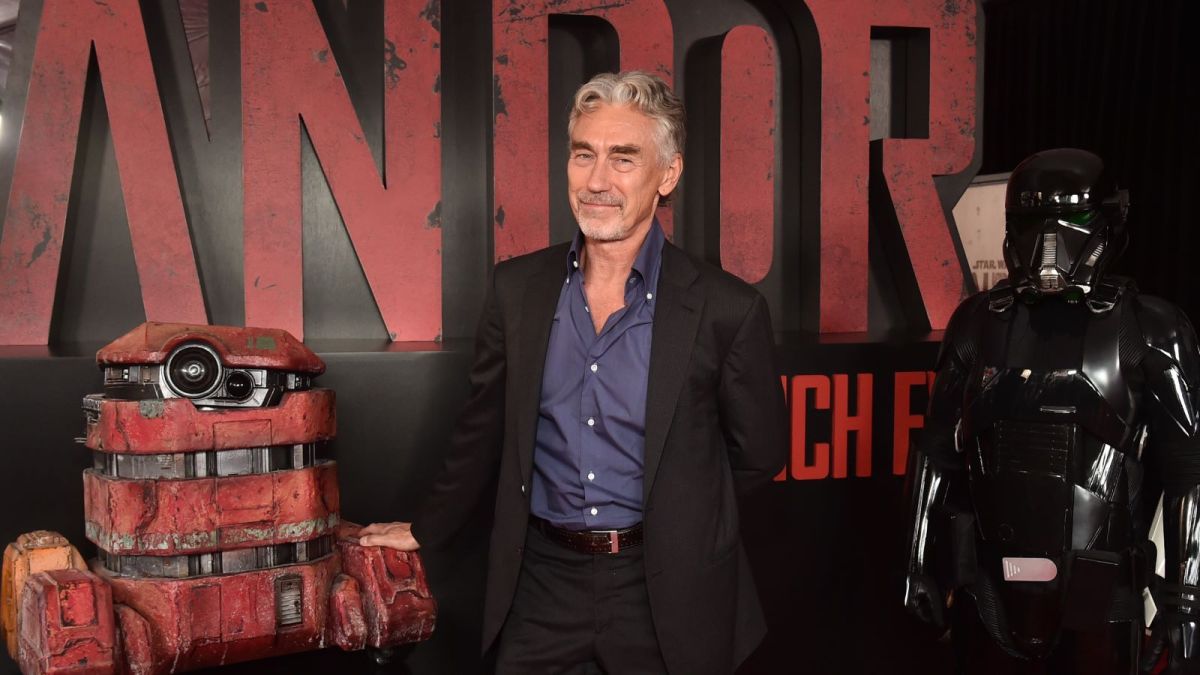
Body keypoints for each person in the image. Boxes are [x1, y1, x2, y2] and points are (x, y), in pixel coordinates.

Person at [359, 70, 786, 674]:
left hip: (666, 590)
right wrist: (428, 529)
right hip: (540, 584)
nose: (597, 180)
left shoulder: (727, 309)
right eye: (584, 154)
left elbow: (757, 455)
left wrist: (678, 516)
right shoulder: (517, 290)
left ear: (668, 175)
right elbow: (482, 431)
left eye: (623, 158)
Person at [903, 148, 1200, 674]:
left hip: (1102, 594)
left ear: (1108, 219)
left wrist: (1184, 602)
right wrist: (918, 562)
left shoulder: (1149, 329)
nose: (1049, 243)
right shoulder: (978, 323)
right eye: (1030, 221)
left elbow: (1188, 474)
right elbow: (937, 453)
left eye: (1071, 220)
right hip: (988, 590)